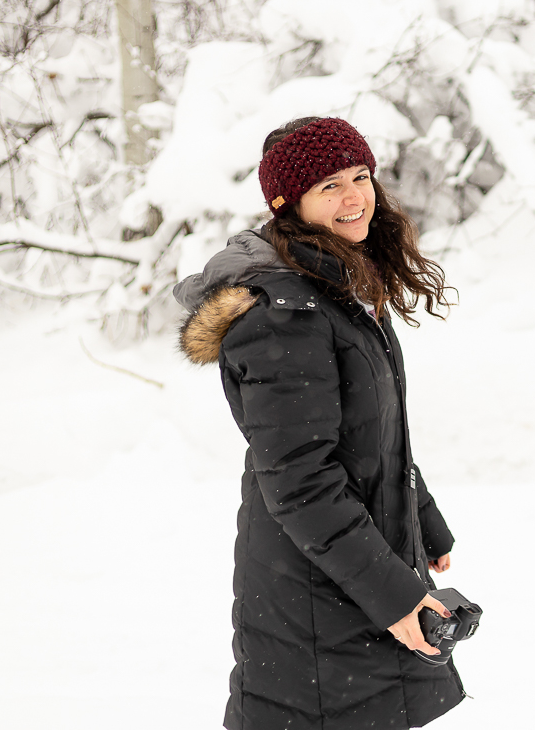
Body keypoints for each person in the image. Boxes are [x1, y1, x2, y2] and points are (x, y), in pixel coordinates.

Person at [174, 117, 465, 730]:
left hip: (352, 564)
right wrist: (394, 595)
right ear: (290, 204)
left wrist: (423, 520)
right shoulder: (285, 312)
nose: (355, 197)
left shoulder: (336, 288)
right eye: (330, 185)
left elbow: (371, 435)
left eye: (361, 177)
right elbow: (301, 481)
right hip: (311, 590)